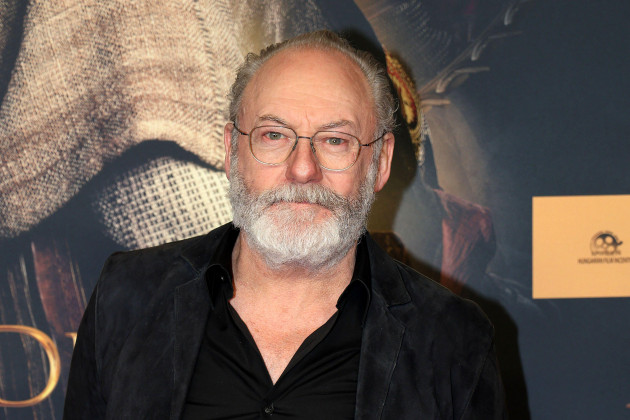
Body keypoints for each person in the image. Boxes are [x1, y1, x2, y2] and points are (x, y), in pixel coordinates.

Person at [63, 30, 506, 419]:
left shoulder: (452, 340)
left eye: (335, 140)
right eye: (274, 135)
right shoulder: (127, 296)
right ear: (232, 150)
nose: (302, 169)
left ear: (381, 162)